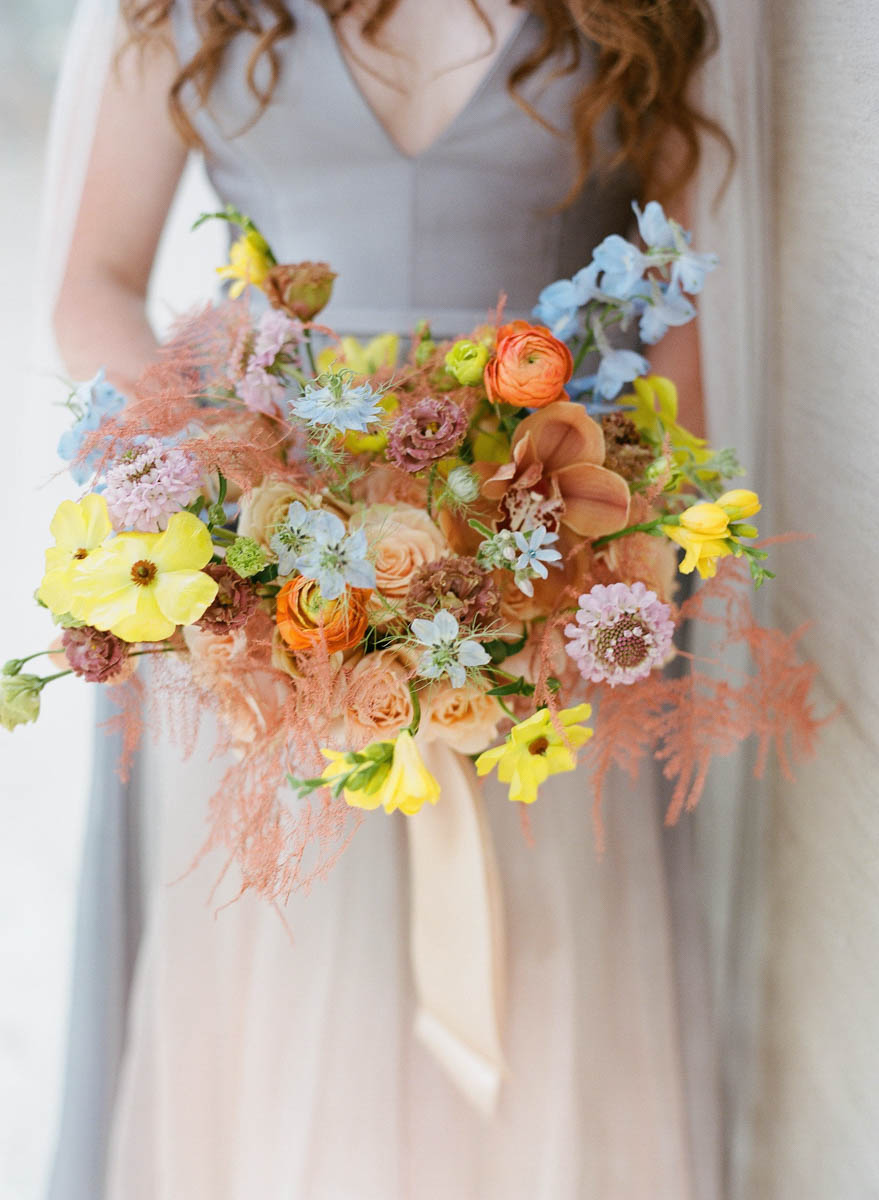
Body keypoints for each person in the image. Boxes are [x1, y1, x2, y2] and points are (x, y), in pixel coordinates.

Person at [45, 1, 731, 1195]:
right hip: (261, 591)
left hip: (539, 569)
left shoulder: (640, 17)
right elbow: (89, 286)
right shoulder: (191, 16)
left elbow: (679, 305)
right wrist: (222, 473)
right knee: (283, 978)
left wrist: (619, 558)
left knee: (541, 986)